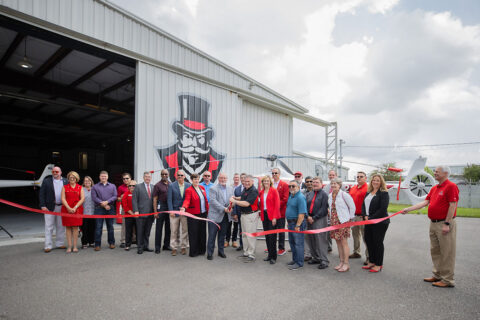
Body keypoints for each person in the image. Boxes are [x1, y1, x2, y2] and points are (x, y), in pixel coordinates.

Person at [402, 166, 459, 288]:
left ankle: (447, 279)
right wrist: (408, 209)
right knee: (436, 251)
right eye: (435, 172)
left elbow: (452, 205)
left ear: (445, 173)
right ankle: (437, 275)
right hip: (433, 223)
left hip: (444, 223)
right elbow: (425, 202)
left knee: (447, 252)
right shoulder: (434, 188)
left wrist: (447, 224)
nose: (434, 173)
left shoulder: (451, 186)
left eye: (437, 172)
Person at [362, 174, 390, 273]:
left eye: (377, 180)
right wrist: (365, 215)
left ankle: (378, 264)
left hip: (380, 222)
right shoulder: (368, 192)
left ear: (381, 182)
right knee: (368, 241)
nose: (375, 182)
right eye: (374, 180)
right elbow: (363, 205)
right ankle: (371, 261)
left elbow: (383, 209)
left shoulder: (384, 193)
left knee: (377, 242)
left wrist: (371, 218)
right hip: (368, 221)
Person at [328, 177, 355, 272]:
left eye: (335, 183)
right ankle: (341, 262)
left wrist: (350, 219)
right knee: (338, 242)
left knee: (344, 242)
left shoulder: (344, 195)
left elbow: (352, 207)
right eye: (332, 184)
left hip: (343, 221)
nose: (333, 185)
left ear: (339, 185)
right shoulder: (330, 195)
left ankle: (346, 264)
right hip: (334, 221)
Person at [230, 175, 259, 262]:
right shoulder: (246, 189)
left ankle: (251, 254)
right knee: (244, 235)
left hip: (250, 215)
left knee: (250, 235)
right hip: (244, 215)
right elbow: (243, 198)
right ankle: (246, 252)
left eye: (248, 181)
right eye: (245, 181)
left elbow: (246, 203)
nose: (246, 183)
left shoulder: (253, 191)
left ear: (252, 182)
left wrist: (235, 201)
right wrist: (236, 198)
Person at [39, 166, 67, 252]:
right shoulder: (46, 181)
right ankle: (48, 245)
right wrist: (42, 205)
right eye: (53, 171)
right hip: (49, 207)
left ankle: (60, 243)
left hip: (62, 207)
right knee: (49, 227)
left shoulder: (66, 181)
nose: (55, 173)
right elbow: (41, 194)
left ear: (61, 172)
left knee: (61, 226)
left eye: (57, 171)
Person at [180, 173, 209, 257]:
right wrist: (184, 207)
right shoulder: (189, 190)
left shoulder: (202, 188)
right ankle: (194, 252)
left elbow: (205, 200)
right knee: (194, 233)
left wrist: (208, 211)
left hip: (203, 214)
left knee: (202, 232)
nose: (196, 180)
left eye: (197, 179)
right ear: (191, 180)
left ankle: (201, 250)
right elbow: (187, 200)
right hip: (193, 215)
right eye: (195, 179)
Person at [206, 173, 234, 260]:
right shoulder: (213, 188)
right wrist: (224, 209)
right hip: (214, 216)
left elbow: (232, 200)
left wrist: (231, 207)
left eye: (224, 178)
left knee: (222, 236)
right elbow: (213, 201)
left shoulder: (230, 188)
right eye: (221, 178)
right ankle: (210, 253)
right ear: (218, 179)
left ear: (227, 179)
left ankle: (221, 252)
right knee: (212, 236)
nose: (223, 179)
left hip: (225, 217)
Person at [305, 177, 329, 269]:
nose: (314, 184)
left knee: (320, 240)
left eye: (317, 182)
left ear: (321, 183)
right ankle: (316, 257)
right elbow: (305, 206)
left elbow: (324, 209)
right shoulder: (309, 194)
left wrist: (314, 218)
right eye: (313, 182)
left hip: (319, 219)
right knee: (311, 239)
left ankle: (324, 260)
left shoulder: (324, 195)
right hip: (309, 218)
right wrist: (307, 217)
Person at [92, 171, 117, 251]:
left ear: (107, 177)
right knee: (98, 227)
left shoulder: (112, 186)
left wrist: (107, 202)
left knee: (110, 226)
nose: (103, 177)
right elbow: (94, 198)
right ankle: (97, 244)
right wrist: (103, 204)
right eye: (102, 176)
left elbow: (115, 196)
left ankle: (111, 243)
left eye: (105, 176)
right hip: (99, 208)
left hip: (110, 208)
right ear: (99, 177)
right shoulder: (95, 187)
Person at [167, 170, 191, 256]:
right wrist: (171, 211)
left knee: (185, 230)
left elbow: (189, 199)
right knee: (174, 231)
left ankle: (184, 247)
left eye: (181, 175)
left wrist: (186, 209)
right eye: (178, 175)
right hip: (174, 211)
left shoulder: (189, 185)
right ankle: (174, 247)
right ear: (176, 176)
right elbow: (169, 199)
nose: (180, 176)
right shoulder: (171, 185)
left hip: (185, 212)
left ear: (184, 176)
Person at [285, 180, 307, 270]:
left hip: (297, 223)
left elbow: (302, 213)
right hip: (291, 222)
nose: (291, 188)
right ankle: (295, 260)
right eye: (289, 186)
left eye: (293, 186)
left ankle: (299, 262)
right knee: (292, 243)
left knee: (298, 244)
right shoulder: (291, 196)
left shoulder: (300, 197)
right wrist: (288, 221)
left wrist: (297, 225)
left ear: (298, 187)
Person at [61, 171, 85, 253]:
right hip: (66, 209)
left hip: (77, 210)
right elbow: (63, 198)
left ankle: (75, 246)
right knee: (68, 227)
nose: (72, 179)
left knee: (75, 227)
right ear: (68, 178)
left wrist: (75, 207)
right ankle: (69, 246)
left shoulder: (80, 187)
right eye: (70, 177)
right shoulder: (65, 187)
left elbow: (82, 199)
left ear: (76, 178)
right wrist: (68, 207)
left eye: (73, 177)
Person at [259, 176, 280, 265]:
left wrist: (274, 217)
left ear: (270, 182)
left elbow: (277, 204)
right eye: (264, 181)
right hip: (264, 215)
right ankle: (269, 255)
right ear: (262, 182)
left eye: (267, 181)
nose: (266, 182)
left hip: (272, 216)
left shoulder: (274, 190)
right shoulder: (261, 192)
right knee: (267, 236)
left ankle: (273, 257)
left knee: (272, 237)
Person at [132, 171, 155, 254]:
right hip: (141, 213)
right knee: (140, 231)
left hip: (150, 214)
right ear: (143, 177)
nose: (148, 178)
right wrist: (136, 210)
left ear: (151, 178)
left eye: (149, 177)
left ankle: (146, 246)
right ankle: (140, 247)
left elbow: (154, 200)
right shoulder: (138, 187)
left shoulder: (153, 187)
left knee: (147, 232)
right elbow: (134, 200)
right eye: (146, 177)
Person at [349, 171, 369, 262]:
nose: (359, 178)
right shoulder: (353, 188)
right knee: (355, 235)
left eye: (361, 176)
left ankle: (369, 256)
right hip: (354, 216)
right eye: (357, 177)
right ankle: (356, 252)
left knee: (366, 237)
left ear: (365, 178)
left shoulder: (368, 189)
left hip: (363, 217)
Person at [153, 169, 172, 254]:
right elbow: (155, 199)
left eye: (166, 174)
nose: (164, 175)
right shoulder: (157, 185)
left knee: (168, 228)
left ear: (168, 175)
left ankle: (166, 245)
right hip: (161, 207)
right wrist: (155, 211)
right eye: (163, 174)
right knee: (159, 228)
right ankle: (157, 247)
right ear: (161, 175)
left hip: (169, 207)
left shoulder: (171, 184)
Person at [271, 167, 289, 256]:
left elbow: (285, 199)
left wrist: (275, 206)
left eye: (276, 173)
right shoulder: (270, 185)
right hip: (271, 213)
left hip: (280, 212)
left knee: (281, 230)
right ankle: (272, 246)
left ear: (279, 174)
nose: (274, 175)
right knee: (272, 230)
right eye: (273, 173)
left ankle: (281, 248)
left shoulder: (284, 185)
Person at [231, 173, 247, 252]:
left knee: (247, 230)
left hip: (248, 213)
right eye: (242, 178)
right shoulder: (237, 189)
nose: (243, 179)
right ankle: (241, 244)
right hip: (239, 213)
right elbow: (235, 202)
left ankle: (247, 246)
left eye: (244, 178)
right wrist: (235, 213)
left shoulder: (249, 188)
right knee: (241, 230)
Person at [117, 172, 133, 248]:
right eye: (124, 179)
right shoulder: (120, 188)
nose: (125, 180)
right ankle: (123, 241)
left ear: (130, 178)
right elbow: (118, 198)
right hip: (125, 209)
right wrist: (122, 197)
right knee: (124, 225)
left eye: (127, 178)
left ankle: (133, 239)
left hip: (134, 209)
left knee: (134, 225)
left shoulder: (135, 185)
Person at [225, 173, 240, 248]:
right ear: (233, 179)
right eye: (235, 178)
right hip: (230, 208)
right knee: (228, 225)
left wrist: (235, 212)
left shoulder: (241, 188)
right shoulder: (230, 187)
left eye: (238, 178)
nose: (236, 179)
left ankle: (234, 240)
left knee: (236, 226)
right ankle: (227, 240)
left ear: (239, 179)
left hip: (237, 209)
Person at [121, 180, 136, 251]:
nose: (132, 187)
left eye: (134, 185)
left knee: (138, 230)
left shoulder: (138, 193)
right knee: (128, 230)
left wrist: (136, 213)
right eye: (130, 185)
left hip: (137, 215)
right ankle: (127, 245)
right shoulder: (126, 194)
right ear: (128, 186)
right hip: (129, 215)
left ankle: (139, 243)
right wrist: (132, 213)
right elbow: (125, 206)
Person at [81, 176, 96, 248]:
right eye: (85, 181)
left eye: (89, 181)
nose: (87, 182)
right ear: (83, 182)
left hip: (93, 212)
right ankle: (84, 243)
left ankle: (92, 242)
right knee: (84, 229)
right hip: (84, 213)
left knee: (92, 228)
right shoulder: (81, 189)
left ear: (91, 182)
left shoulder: (94, 189)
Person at [302, 176, 314, 261]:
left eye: (310, 181)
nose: (309, 183)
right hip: (305, 217)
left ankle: (315, 254)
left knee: (315, 236)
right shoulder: (302, 192)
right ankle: (307, 254)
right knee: (305, 236)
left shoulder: (317, 192)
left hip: (315, 217)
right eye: (307, 182)